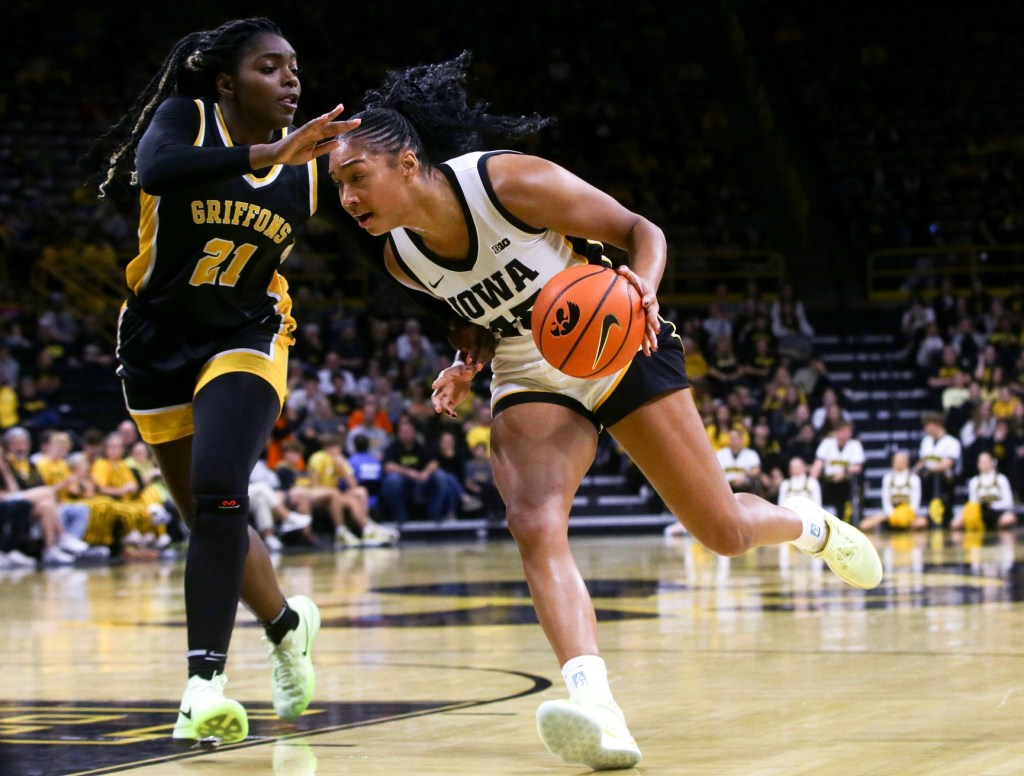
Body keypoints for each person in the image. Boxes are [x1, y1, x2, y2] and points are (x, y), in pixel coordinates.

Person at [328, 52, 883, 771]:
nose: (346, 199)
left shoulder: (506, 181)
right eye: (337, 186)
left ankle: (810, 526)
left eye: (354, 178)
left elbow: (640, 230)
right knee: (532, 521)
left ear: (406, 163)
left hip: (621, 339)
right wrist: (465, 363)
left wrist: (643, 289)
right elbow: (474, 314)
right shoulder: (402, 258)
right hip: (530, 368)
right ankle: (596, 705)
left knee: (721, 532)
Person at [91, 17, 358, 743]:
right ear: (225, 82)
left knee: (221, 489)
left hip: (247, 332)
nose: (291, 79)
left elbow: (379, 235)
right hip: (154, 340)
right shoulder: (188, 118)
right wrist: (265, 150)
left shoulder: (311, 169)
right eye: (270, 67)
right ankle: (286, 625)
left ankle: (202, 684)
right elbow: (156, 169)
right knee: (207, 515)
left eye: (295, 67)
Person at [811, 420, 865, 523]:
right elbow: (818, 463)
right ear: (836, 432)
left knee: (851, 486)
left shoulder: (855, 445)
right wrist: (812, 479)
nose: (846, 434)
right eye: (843, 431)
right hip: (828, 480)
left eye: (848, 431)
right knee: (817, 486)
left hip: (846, 481)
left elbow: (858, 467)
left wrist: (844, 472)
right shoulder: (827, 443)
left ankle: (848, 520)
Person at [860, 451, 927, 531]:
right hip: (890, 514)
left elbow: (915, 502)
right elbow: (886, 500)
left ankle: (904, 526)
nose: (899, 463)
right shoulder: (888, 478)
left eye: (901, 461)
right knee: (864, 525)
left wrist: (906, 515)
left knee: (922, 522)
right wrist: (893, 515)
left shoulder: (914, 478)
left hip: (908, 513)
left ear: (906, 462)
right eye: (897, 461)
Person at [952, 452, 1019, 531]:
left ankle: (996, 528)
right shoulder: (974, 481)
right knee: (955, 523)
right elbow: (972, 502)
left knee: (1009, 519)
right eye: (981, 462)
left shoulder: (1001, 479)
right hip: (980, 513)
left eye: (986, 461)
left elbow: (1008, 502)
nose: (984, 464)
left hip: (998, 512)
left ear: (992, 463)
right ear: (978, 464)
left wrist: (992, 505)